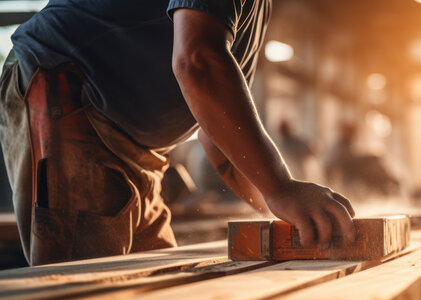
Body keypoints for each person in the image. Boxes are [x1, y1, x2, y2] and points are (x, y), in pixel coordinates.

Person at [0, 0, 355, 266]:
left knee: (157, 291)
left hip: (136, 147)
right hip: (71, 94)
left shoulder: (254, 10)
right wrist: (281, 189)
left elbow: (217, 136)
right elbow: (197, 61)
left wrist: (281, 207)